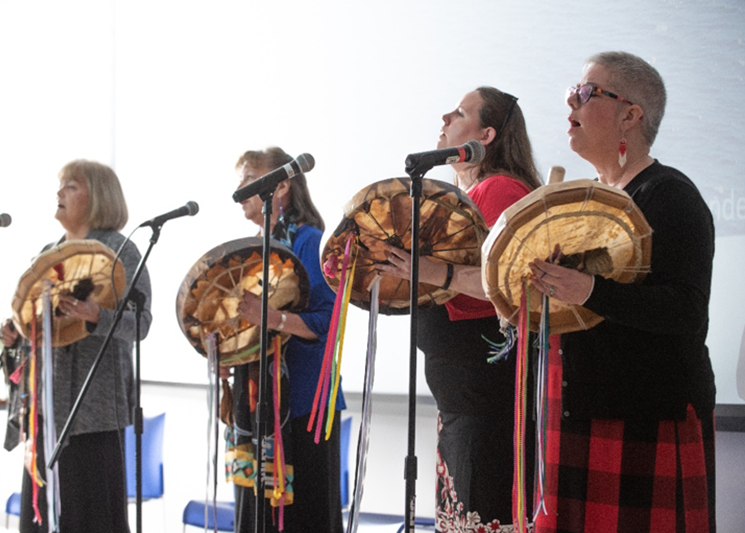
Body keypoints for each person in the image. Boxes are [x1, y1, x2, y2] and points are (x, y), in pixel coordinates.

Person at [528, 52, 716, 532]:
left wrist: (588, 289)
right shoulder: (588, 197)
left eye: (588, 92)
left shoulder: (669, 194)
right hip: (578, 412)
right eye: (573, 89)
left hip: (644, 416)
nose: (571, 98)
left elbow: (685, 310)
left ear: (631, 115)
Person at [376, 87, 541, 530]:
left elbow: (505, 282)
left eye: (461, 112)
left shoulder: (499, 187)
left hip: (484, 403)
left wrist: (425, 270)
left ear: (486, 135)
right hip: (465, 403)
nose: (445, 116)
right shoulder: (476, 191)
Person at [0, 160, 151, 533]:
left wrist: (95, 315)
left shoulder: (121, 251)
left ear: (98, 197)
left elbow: (142, 325)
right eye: (60, 186)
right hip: (45, 414)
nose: (59, 193)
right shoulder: (46, 254)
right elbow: (34, 324)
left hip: (95, 415)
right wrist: (15, 337)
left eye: (71, 186)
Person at [229, 147, 346, 533]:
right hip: (255, 402)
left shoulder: (309, 240)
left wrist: (273, 318)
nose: (240, 188)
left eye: (249, 178)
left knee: (305, 517)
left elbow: (328, 320)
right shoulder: (251, 248)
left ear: (280, 186)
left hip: (305, 405)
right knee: (258, 515)